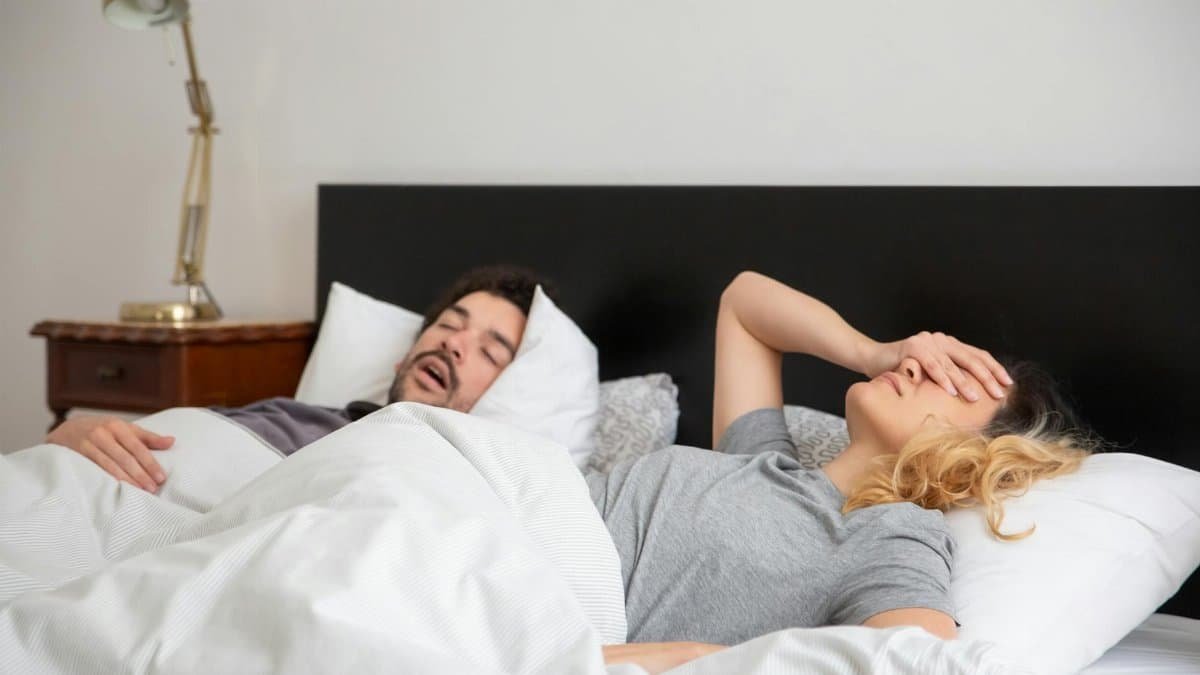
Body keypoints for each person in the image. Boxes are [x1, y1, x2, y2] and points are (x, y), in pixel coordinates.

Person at [591, 271, 1096, 668]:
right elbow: (744, 302)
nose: (921, 366)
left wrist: (693, 660)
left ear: (983, 455)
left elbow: (920, 664)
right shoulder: (760, 462)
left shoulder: (892, 537)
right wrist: (873, 352)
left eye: (955, 381)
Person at [46, 265, 554, 493]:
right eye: (448, 325)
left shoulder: (440, 480)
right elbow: (147, 444)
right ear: (402, 360)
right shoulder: (288, 414)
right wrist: (71, 435)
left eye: (488, 351)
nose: (453, 343)